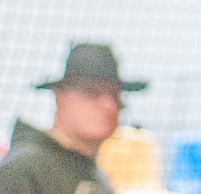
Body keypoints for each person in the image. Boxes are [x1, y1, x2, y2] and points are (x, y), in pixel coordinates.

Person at [0, 43, 148, 194]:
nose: (109, 105)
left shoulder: (94, 175)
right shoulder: (23, 169)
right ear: (59, 97)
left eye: (116, 94)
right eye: (91, 91)